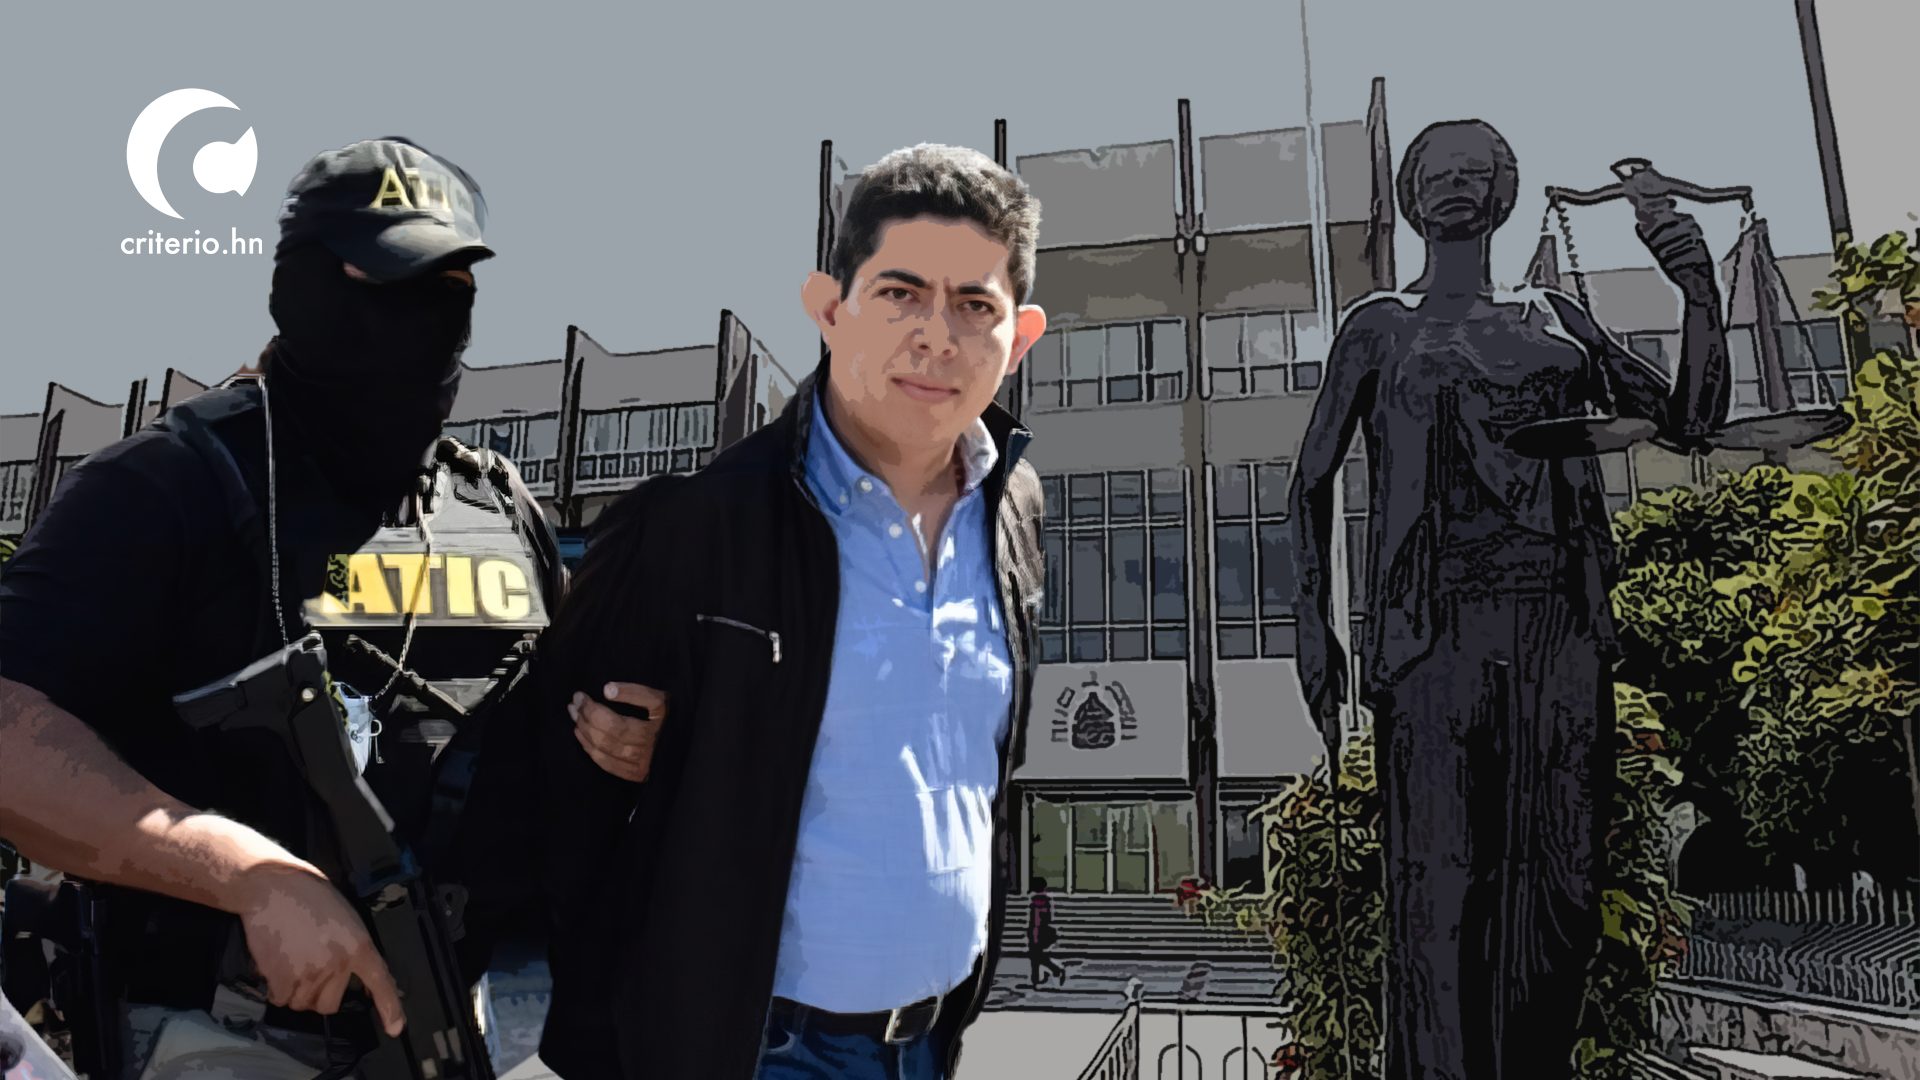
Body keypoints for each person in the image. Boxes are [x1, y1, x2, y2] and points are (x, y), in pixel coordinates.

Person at [540, 143, 1050, 1080]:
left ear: (1018, 338)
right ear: (829, 309)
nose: (937, 336)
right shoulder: (693, 526)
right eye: (900, 293)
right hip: (764, 1046)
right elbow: (543, 780)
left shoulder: (1013, 509)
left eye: (974, 305)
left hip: (934, 1039)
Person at [0, 136, 504, 1079]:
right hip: (230, 1033)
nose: (423, 324)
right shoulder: (172, 482)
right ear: (298, 289)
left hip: (469, 1025)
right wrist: (244, 876)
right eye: (385, 285)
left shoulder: (496, 510)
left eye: (450, 291)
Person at [1289, 119, 1733, 1079]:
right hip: (1434, 630)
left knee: (1559, 883)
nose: (1454, 184)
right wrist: (1311, 626)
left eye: (1473, 171)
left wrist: (1698, 291)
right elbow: (1309, 481)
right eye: (1436, 172)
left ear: (1501, 195)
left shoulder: (1556, 318)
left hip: (1557, 625)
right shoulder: (1381, 326)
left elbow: (1691, 421)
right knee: (1439, 887)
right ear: (1412, 198)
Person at [1027, 878, 1066, 988]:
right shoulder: (1046, 900)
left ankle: (1054, 971)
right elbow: (1047, 918)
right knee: (1038, 956)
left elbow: (1036, 920)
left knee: (1036, 957)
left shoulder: (1037, 901)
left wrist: (1034, 936)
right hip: (1043, 931)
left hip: (1037, 932)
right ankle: (1041, 977)